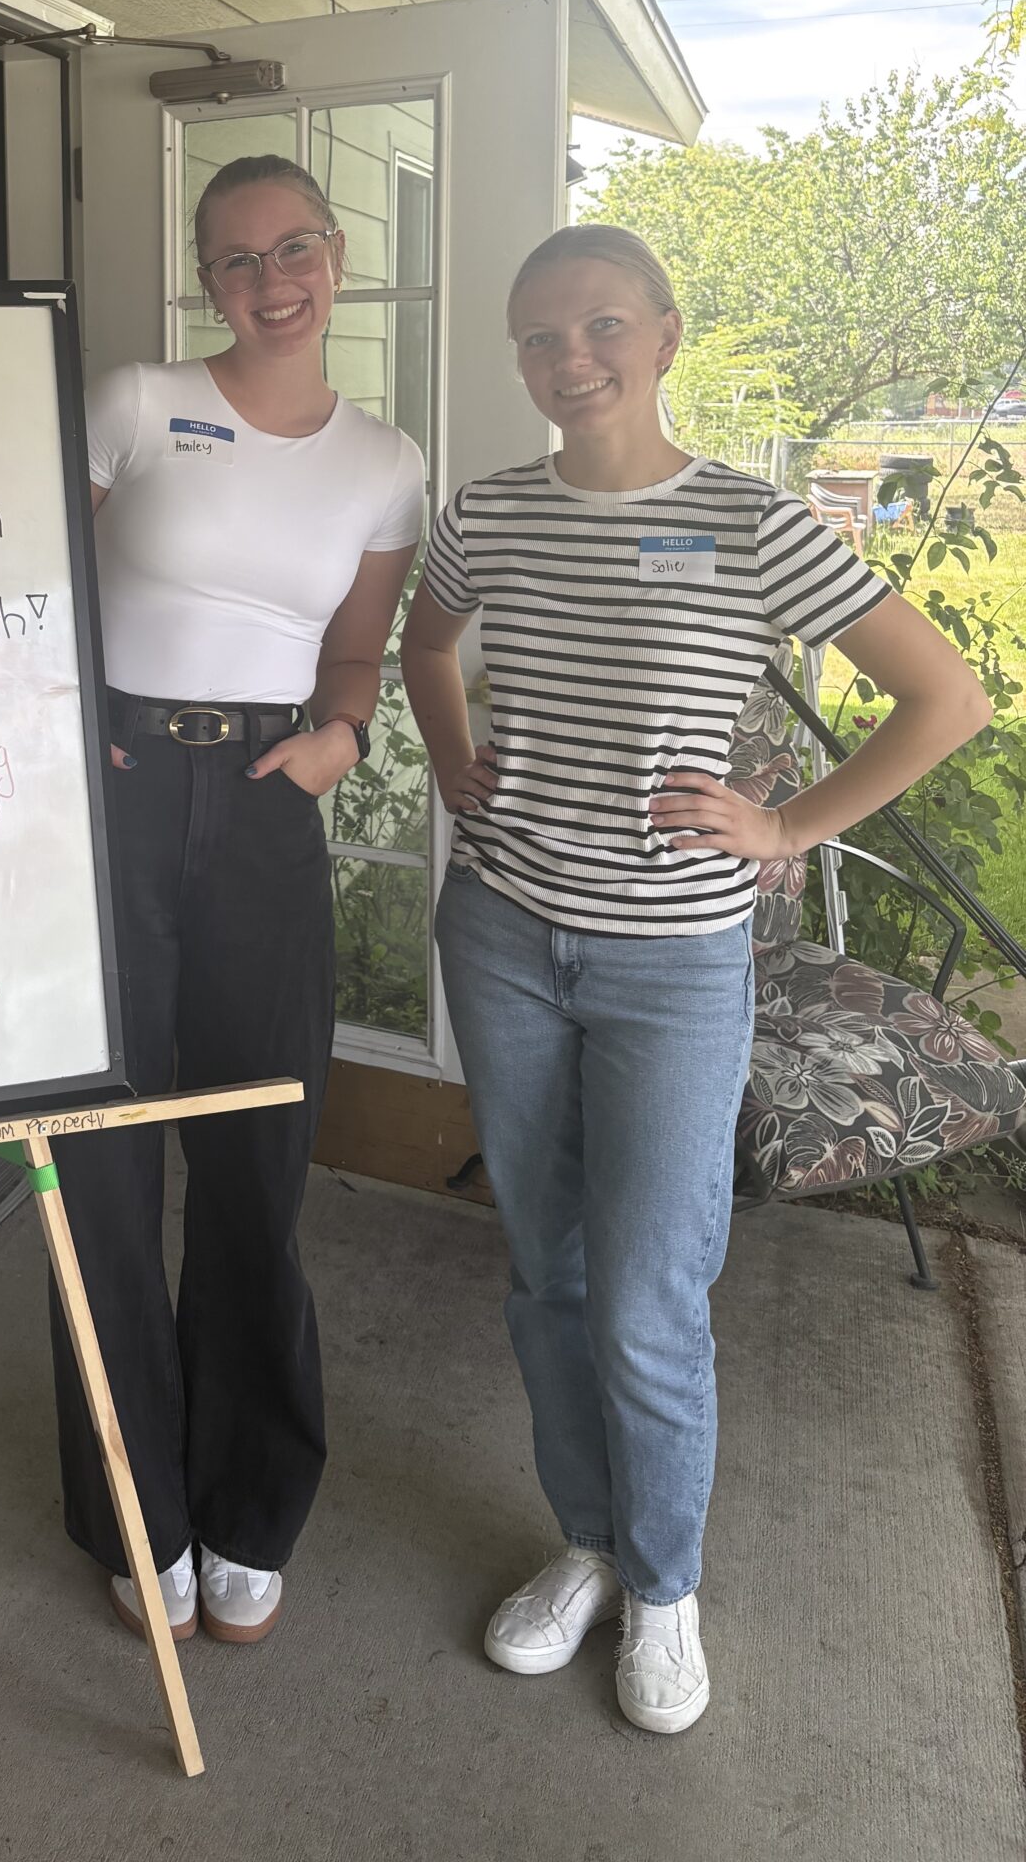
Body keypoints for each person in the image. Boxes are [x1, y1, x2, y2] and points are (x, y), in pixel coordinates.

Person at [400, 223, 991, 1734]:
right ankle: (587, 1546)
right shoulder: (491, 513)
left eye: (599, 327)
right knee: (549, 1277)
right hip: (506, 935)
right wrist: (460, 761)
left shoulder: (750, 523)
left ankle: (666, 1589)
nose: (570, 360)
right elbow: (427, 642)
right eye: (540, 339)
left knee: (650, 1298)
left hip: (673, 964)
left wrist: (790, 823)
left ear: (661, 335)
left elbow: (948, 695)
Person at [53, 152, 424, 1645]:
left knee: (259, 1162)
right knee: (105, 1164)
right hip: (115, 794)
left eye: (294, 250)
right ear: (203, 279)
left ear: (338, 256)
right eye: (234, 260)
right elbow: (20, 576)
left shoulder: (386, 463)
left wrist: (338, 740)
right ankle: (136, 1513)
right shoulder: (136, 402)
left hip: (269, 804)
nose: (270, 283)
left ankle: (251, 1501)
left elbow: (356, 656)